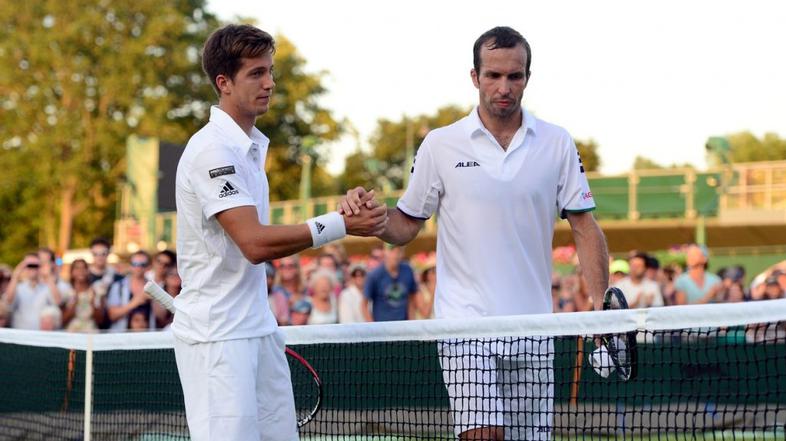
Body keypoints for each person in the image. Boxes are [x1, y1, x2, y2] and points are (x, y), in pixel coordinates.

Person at [341, 26, 608, 440]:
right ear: (475, 77)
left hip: (535, 330)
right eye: (493, 75)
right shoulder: (440, 144)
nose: (504, 86)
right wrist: (372, 219)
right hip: (465, 328)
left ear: (527, 78)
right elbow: (407, 223)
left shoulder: (557, 142)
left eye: (514, 76)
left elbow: (584, 226)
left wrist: (601, 305)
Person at [171, 24, 386, 441]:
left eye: (270, 71)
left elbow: (269, 233)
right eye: (256, 73)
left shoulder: (247, 147)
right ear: (224, 83)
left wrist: (341, 212)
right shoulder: (213, 150)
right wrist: (341, 224)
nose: (269, 83)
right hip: (217, 338)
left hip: (259, 329)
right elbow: (253, 243)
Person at [3, 253, 63, 330]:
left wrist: (48, 276)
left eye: (36, 266)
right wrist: (15, 276)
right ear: (23, 267)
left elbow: (58, 302)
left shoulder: (47, 287)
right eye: (29, 265)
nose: (33, 269)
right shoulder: (17, 287)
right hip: (20, 334)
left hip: (40, 335)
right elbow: (8, 302)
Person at [362, 245, 418, 322]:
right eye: (392, 251)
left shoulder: (407, 270)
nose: (395, 255)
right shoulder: (375, 275)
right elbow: (364, 304)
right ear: (385, 252)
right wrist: (372, 327)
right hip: (382, 327)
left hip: (403, 326)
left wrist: (412, 323)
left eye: (399, 251)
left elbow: (411, 298)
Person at [106, 251, 156, 332]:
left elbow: (161, 318)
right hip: (122, 337)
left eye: (142, 264)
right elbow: (112, 315)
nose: (138, 267)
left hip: (147, 338)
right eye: (135, 264)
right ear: (130, 266)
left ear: (148, 267)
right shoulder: (118, 286)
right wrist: (135, 302)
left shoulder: (154, 287)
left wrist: (155, 301)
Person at [62, 258, 101, 332]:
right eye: (77, 268)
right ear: (72, 272)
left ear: (88, 271)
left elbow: (100, 321)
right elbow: (63, 320)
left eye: (84, 268)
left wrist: (93, 303)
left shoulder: (95, 291)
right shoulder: (67, 292)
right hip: (72, 332)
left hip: (90, 333)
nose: (81, 271)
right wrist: (74, 303)